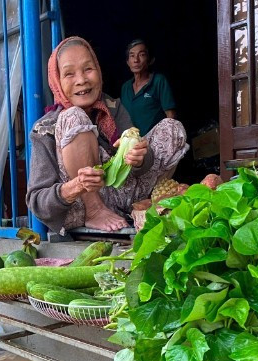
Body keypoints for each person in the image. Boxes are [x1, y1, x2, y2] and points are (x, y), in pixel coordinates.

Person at [26, 37, 188, 234]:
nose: (81, 80)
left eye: (88, 69)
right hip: (78, 207)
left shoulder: (113, 108)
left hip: (122, 198)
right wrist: (76, 186)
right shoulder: (45, 127)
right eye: (69, 74)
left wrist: (139, 158)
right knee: (74, 116)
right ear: (56, 81)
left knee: (172, 128)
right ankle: (95, 210)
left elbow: (141, 166)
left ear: (99, 70)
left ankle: (139, 208)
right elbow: (37, 201)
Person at [120, 39, 176, 136]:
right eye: (132, 56)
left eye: (141, 55)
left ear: (150, 60)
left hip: (156, 140)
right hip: (133, 141)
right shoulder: (125, 87)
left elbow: (171, 115)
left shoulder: (158, 81)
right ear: (128, 62)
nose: (136, 60)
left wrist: (166, 138)